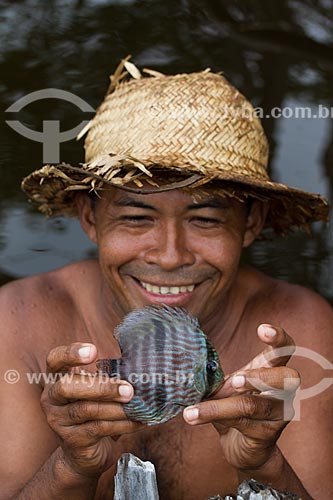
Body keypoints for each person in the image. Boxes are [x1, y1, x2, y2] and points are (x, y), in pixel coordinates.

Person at [1, 58, 332, 500]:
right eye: (137, 217)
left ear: (251, 223)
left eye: (206, 219)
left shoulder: (300, 329)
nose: (171, 255)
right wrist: (70, 466)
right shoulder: (19, 318)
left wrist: (265, 465)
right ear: (90, 218)